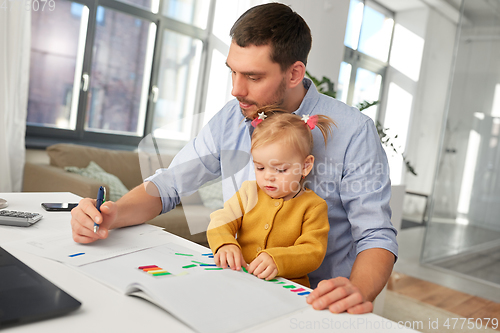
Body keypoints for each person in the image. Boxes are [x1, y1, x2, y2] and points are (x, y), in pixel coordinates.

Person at [70, 3, 398, 314]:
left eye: (253, 77)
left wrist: (358, 290)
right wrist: (113, 215)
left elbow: (375, 235)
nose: (236, 90)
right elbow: (171, 185)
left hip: (314, 304)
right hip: (241, 289)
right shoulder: (232, 116)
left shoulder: (353, 132)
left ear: (294, 73)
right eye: (233, 72)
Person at [207, 108, 334, 287]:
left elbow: (313, 251)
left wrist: (278, 260)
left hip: (287, 288)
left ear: (305, 166)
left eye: (280, 170)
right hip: (242, 279)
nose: (268, 177)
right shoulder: (248, 192)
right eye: (260, 168)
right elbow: (221, 219)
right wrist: (225, 244)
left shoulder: (313, 206)